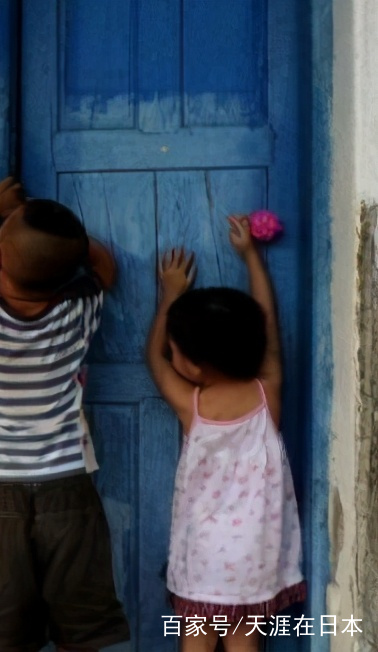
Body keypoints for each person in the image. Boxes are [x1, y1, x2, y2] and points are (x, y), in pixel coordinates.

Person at [0, 177, 130, 652]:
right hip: (70, 492)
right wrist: (49, 229)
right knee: (85, 627)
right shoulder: (78, 310)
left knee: (0, 631)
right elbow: (104, 266)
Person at [145, 216, 306, 652]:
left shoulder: (191, 405)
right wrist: (252, 257)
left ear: (193, 367)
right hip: (254, 560)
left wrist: (170, 296)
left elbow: (154, 360)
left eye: (177, 348)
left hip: (202, 564)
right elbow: (269, 331)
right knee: (244, 645)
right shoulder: (266, 394)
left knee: (194, 644)